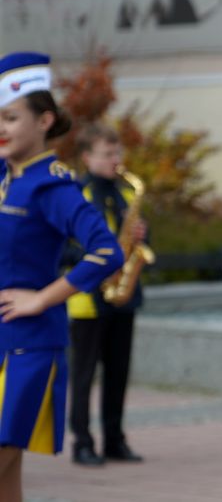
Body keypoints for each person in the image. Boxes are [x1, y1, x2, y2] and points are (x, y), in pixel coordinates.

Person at [0, 52, 123, 499]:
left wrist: (41, 298)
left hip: (28, 346)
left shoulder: (52, 186)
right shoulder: (6, 176)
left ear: (44, 120)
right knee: (7, 480)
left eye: (10, 118)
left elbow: (107, 252)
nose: (1, 128)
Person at [64, 125, 147, 467]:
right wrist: (98, 255)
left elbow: (137, 239)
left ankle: (115, 439)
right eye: (107, 154)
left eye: (117, 153)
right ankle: (82, 442)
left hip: (122, 293)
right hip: (87, 296)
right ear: (87, 157)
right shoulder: (75, 195)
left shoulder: (125, 194)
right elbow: (62, 248)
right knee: (84, 374)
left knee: (118, 372)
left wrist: (141, 235)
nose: (115, 160)